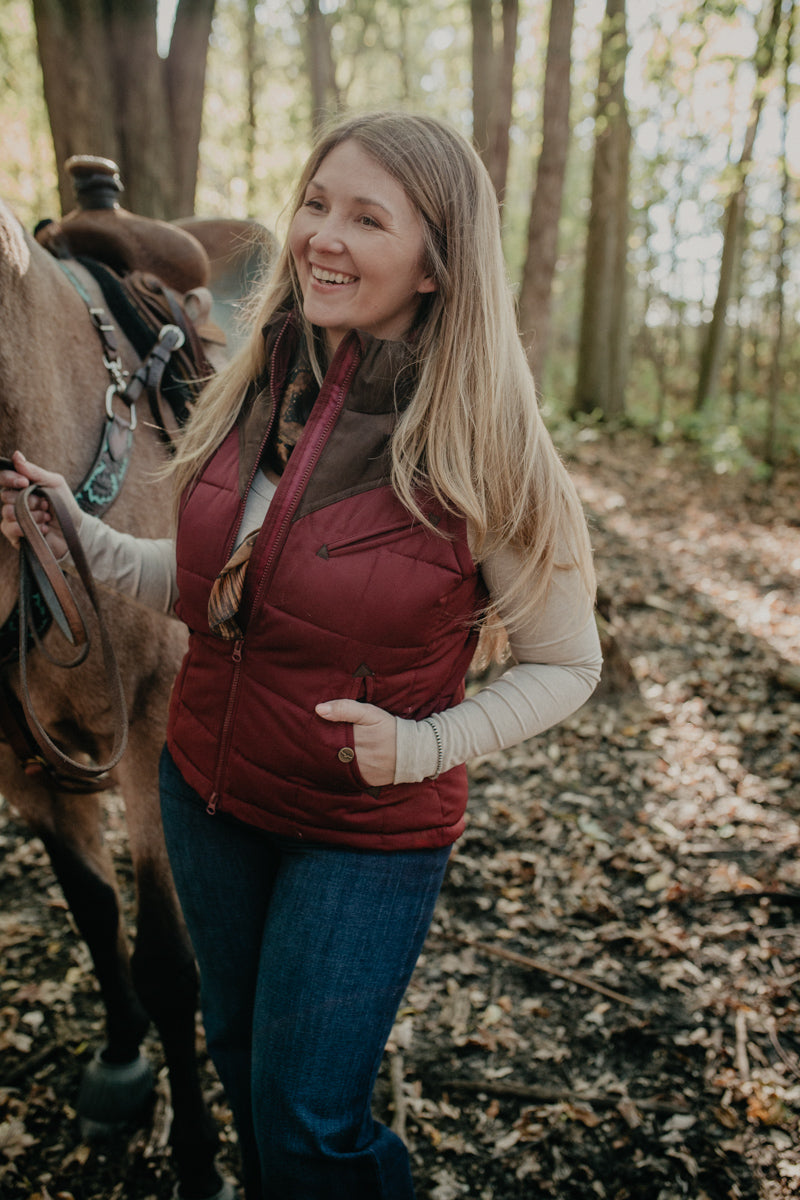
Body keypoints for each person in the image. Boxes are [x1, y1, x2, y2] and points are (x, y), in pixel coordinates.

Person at [1, 111, 602, 1200]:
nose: (322, 236)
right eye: (316, 204)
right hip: (204, 800)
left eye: (367, 218)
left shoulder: (487, 443)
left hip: (360, 836)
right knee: (239, 1060)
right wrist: (73, 530)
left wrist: (426, 745)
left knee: (309, 1128)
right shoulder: (252, 385)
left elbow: (568, 664)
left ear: (437, 264)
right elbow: (204, 587)